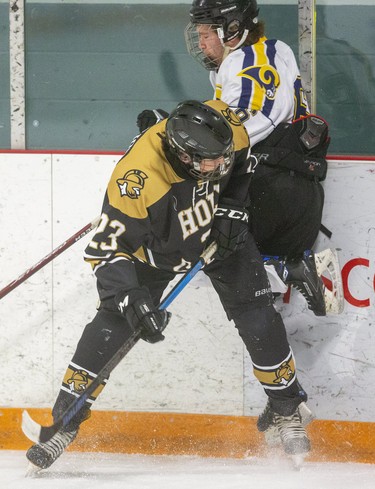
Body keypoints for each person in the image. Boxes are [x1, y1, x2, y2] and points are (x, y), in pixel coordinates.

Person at [26, 100, 312, 472]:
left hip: (220, 238)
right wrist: (131, 299)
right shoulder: (137, 179)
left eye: (219, 158)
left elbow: (241, 165)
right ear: (181, 154)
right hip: (154, 254)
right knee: (113, 322)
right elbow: (107, 251)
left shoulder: (225, 126)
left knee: (258, 315)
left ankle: (286, 410)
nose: (218, 167)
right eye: (209, 163)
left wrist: (231, 208)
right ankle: (66, 420)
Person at [137, 0, 341, 317]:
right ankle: (282, 270)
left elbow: (232, 135)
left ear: (232, 31)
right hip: (288, 198)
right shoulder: (264, 55)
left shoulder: (252, 61)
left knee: (181, 220)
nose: (201, 42)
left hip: (269, 193)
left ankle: (133, 301)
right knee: (248, 299)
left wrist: (166, 142)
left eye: (207, 33)